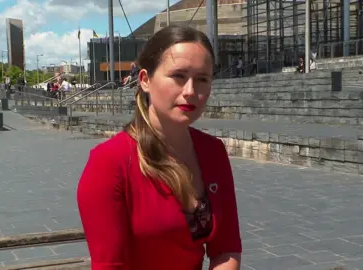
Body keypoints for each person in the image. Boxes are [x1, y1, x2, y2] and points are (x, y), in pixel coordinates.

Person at [77, 25, 242, 270]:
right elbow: (110, 265)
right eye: (178, 76)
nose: (190, 91)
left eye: (202, 79)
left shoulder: (213, 152)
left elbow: (226, 248)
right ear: (145, 80)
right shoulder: (109, 163)